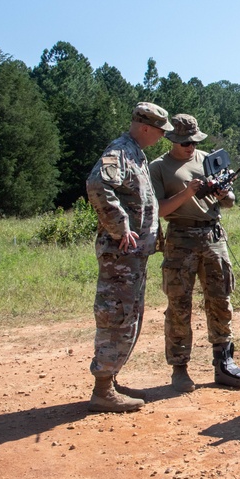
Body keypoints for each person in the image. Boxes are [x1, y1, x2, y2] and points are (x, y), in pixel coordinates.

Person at [149, 114, 240, 393]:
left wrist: (221, 193)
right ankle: (180, 368)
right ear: (172, 139)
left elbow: (230, 202)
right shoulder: (159, 167)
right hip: (180, 238)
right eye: (184, 142)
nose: (190, 147)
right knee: (179, 305)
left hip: (212, 236)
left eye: (194, 141)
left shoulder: (208, 160)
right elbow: (158, 210)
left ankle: (224, 362)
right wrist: (188, 193)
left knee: (220, 301)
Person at [85, 101, 173, 413]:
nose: (163, 137)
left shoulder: (136, 152)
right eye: (161, 131)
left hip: (134, 256)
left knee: (129, 316)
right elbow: (97, 184)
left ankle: (111, 380)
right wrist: (120, 228)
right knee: (116, 317)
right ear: (146, 127)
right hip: (120, 256)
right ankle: (103, 389)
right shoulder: (120, 151)